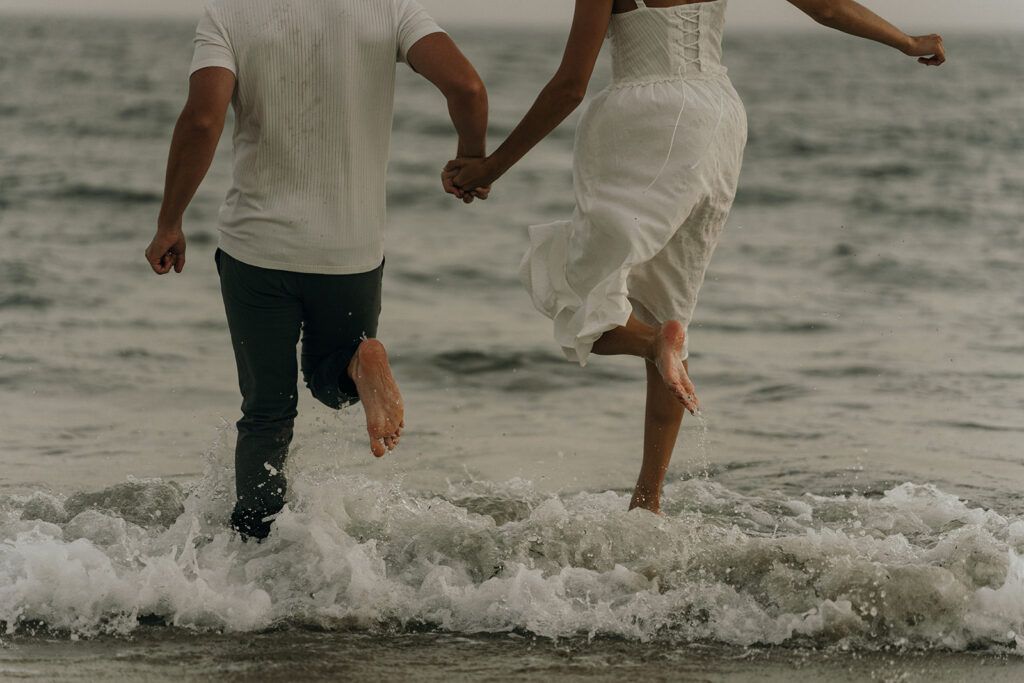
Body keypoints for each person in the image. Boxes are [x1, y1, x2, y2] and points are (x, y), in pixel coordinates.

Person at [444, 0, 944, 514]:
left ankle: (651, 343)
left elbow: (571, 85)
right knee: (672, 306)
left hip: (644, 122)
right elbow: (828, 8)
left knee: (583, 294)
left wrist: (493, 166)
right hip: (718, 119)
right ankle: (648, 501)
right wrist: (907, 41)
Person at [145, 0, 488, 540]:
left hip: (256, 250)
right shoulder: (392, 9)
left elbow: (204, 118)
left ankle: (252, 551)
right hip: (349, 252)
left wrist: (170, 220)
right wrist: (470, 160)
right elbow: (466, 87)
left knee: (267, 413)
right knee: (335, 383)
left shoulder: (229, 15)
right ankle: (359, 358)